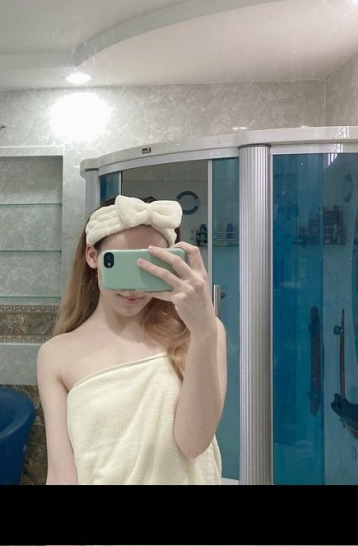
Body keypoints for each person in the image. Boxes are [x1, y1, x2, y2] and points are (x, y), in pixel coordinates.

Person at [37, 194, 226, 484]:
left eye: (150, 264)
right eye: (122, 263)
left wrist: (204, 331)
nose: (133, 287)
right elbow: (62, 472)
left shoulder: (201, 334)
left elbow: (193, 443)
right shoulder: (56, 354)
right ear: (92, 256)